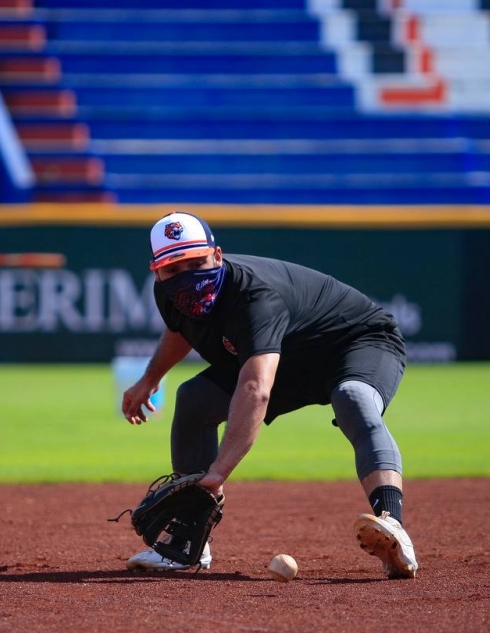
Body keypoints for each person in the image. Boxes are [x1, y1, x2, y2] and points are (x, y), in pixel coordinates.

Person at [121, 211, 419, 578]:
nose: (187, 277)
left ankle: (393, 526)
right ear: (157, 272)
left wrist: (217, 473)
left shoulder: (255, 295)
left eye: (197, 262)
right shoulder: (168, 295)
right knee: (194, 399)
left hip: (354, 343)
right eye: (173, 269)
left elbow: (255, 389)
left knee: (352, 398)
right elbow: (182, 329)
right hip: (285, 357)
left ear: (217, 255)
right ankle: (187, 544)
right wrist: (149, 379)